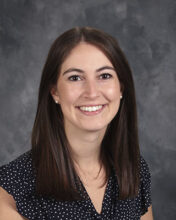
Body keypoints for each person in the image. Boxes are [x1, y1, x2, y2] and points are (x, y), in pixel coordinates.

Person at [0, 27, 153, 220]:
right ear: (55, 91)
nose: (92, 92)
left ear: (121, 87)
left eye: (104, 76)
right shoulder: (12, 186)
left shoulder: (134, 169)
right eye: (75, 78)